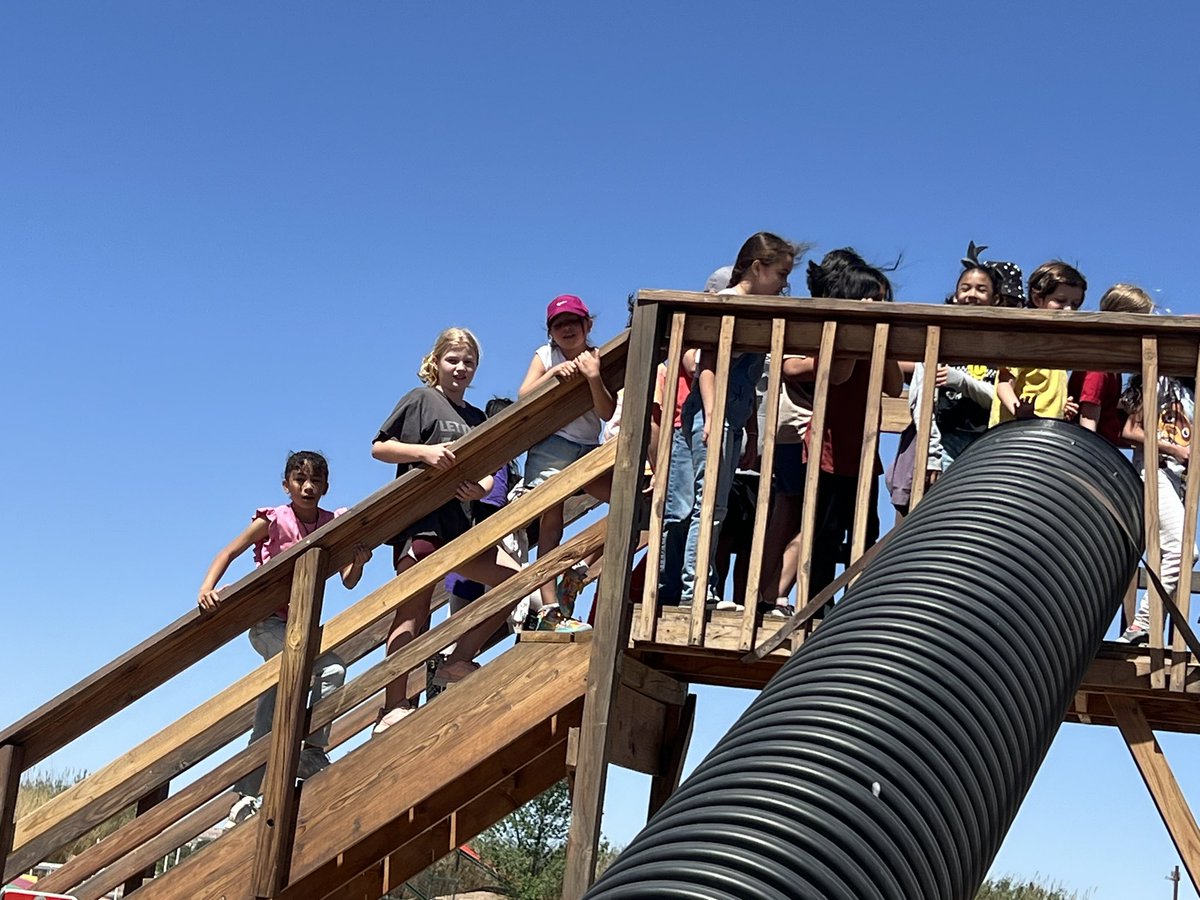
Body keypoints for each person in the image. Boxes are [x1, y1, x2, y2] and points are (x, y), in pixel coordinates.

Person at [197, 450, 371, 823]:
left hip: (301, 625)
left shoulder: (331, 523)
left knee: (325, 675)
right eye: (300, 480)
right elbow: (230, 551)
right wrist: (207, 588)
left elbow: (349, 581)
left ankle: (308, 753)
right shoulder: (274, 520)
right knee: (294, 670)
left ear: (325, 486)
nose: (308, 487)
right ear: (287, 485)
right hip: (268, 624)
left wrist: (357, 561)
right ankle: (247, 790)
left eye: (316, 481)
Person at [370, 328, 522, 733]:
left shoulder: (475, 417)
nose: (460, 368)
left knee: (514, 582)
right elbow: (380, 447)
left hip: (461, 524)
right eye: (453, 360)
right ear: (436, 362)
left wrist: (482, 487)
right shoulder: (421, 399)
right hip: (422, 521)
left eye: (468, 362)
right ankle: (392, 706)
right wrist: (424, 453)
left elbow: (490, 474)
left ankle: (458, 659)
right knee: (413, 612)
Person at [760, 258, 903, 617]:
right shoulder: (834, 338)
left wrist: (882, 345)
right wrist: (858, 338)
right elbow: (838, 377)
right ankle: (816, 606)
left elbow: (894, 385)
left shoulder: (880, 342)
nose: (879, 307)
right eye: (872, 299)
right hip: (825, 450)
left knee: (865, 533)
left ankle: (856, 607)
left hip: (864, 454)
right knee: (823, 534)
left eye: (884, 300)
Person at [663, 232, 797, 609]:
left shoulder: (762, 313)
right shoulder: (727, 304)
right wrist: (713, 415)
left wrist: (749, 430)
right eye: (781, 273)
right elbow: (707, 364)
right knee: (704, 506)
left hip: (731, 418)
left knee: (699, 504)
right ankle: (695, 590)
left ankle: (684, 586)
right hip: (711, 415)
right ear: (758, 267)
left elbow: (751, 381)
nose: (785, 283)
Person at [518, 295, 615, 620]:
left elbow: (606, 412)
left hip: (587, 448)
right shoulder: (545, 355)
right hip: (552, 445)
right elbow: (523, 395)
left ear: (588, 325)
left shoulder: (596, 358)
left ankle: (582, 565)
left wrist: (593, 376)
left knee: (629, 502)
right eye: (559, 325)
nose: (567, 329)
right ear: (550, 332)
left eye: (574, 322)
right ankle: (550, 605)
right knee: (550, 526)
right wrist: (553, 375)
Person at [1116, 366, 1196, 645]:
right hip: (1155, 472)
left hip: (1180, 482)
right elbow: (1129, 430)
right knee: (1183, 550)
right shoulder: (1161, 381)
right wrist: (1174, 450)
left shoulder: (1191, 394)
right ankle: (1142, 623)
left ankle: (1152, 634)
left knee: (1169, 557)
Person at [990, 260, 1087, 424]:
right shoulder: (1025, 339)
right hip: (1014, 433)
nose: (1068, 309)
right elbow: (1004, 382)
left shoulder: (1058, 347)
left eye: (1075, 304)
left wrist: (1061, 406)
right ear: (1037, 298)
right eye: (1060, 301)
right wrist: (1018, 410)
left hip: (1044, 432)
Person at [1069, 285, 1150, 445]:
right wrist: (1088, 451)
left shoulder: (1111, 365)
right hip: (1093, 449)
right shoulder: (1099, 364)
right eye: (1141, 322)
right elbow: (1089, 412)